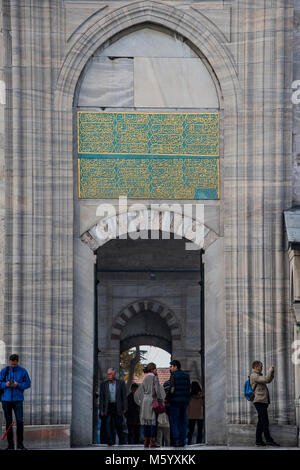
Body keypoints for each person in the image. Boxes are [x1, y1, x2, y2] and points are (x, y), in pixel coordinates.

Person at [0, 354, 31, 450]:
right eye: (12, 364)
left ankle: (20, 444)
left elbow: (28, 384)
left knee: (20, 422)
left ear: (17, 361)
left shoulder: (23, 371)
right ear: (9, 361)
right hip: (6, 400)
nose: (13, 365)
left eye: (14, 364)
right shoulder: (4, 371)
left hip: (18, 400)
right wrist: (6, 384)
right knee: (8, 423)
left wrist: (18, 385)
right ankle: (10, 445)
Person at [134, 362, 165, 448]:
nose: (156, 370)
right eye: (155, 369)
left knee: (146, 422)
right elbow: (158, 391)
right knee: (153, 422)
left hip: (145, 401)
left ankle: (146, 441)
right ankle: (152, 442)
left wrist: (141, 401)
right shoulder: (155, 378)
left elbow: (139, 392)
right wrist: (161, 400)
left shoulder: (145, 378)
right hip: (152, 401)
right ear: (152, 369)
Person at [250, 361, 280, 447]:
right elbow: (266, 379)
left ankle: (258, 441)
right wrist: (269, 371)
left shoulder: (258, 375)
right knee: (265, 421)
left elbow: (268, 380)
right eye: (261, 366)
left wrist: (272, 372)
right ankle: (268, 440)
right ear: (256, 367)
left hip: (262, 401)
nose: (262, 368)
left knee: (261, 422)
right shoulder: (254, 375)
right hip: (259, 401)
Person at [99, 368, 128, 446]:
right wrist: (101, 409)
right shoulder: (103, 384)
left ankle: (122, 440)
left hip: (117, 406)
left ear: (114, 374)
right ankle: (110, 441)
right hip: (108, 407)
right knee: (108, 424)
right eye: (108, 374)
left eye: (110, 374)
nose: (109, 376)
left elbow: (124, 396)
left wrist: (125, 408)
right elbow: (101, 398)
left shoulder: (121, 383)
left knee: (119, 424)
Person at [168, 359, 190, 447]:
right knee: (183, 421)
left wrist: (168, 398)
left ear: (175, 366)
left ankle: (176, 440)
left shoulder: (173, 375)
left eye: (171, 366)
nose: (170, 368)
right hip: (184, 401)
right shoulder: (186, 376)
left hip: (175, 401)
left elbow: (172, 389)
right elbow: (188, 388)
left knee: (174, 421)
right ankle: (182, 440)